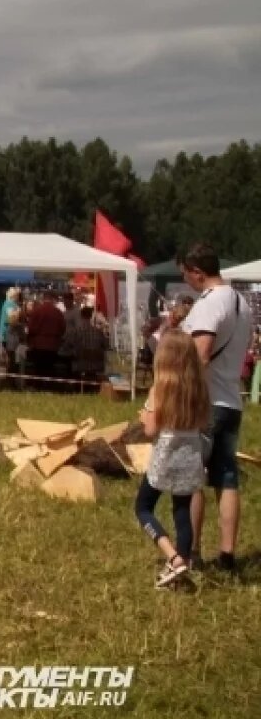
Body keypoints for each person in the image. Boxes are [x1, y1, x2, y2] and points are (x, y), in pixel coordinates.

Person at [177, 244, 252, 573]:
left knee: (192, 478)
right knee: (227, 479)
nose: (186, 282)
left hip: (205, 402)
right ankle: (227, 555)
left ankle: (191, 551)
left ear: (196, 271)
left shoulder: (209, 305)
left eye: (185, 274)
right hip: (232, 400)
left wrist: (175, 389)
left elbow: (201, 353)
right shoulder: (242, 303)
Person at [134, 330, 210, 588]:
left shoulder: (160, 389)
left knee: (143, 507)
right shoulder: (198, 389)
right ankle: (184, 561)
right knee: (181, 511)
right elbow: (202, 422)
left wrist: (145, 417)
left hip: (164, 456)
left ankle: (173, 556)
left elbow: (150, 430)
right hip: (191, 455)